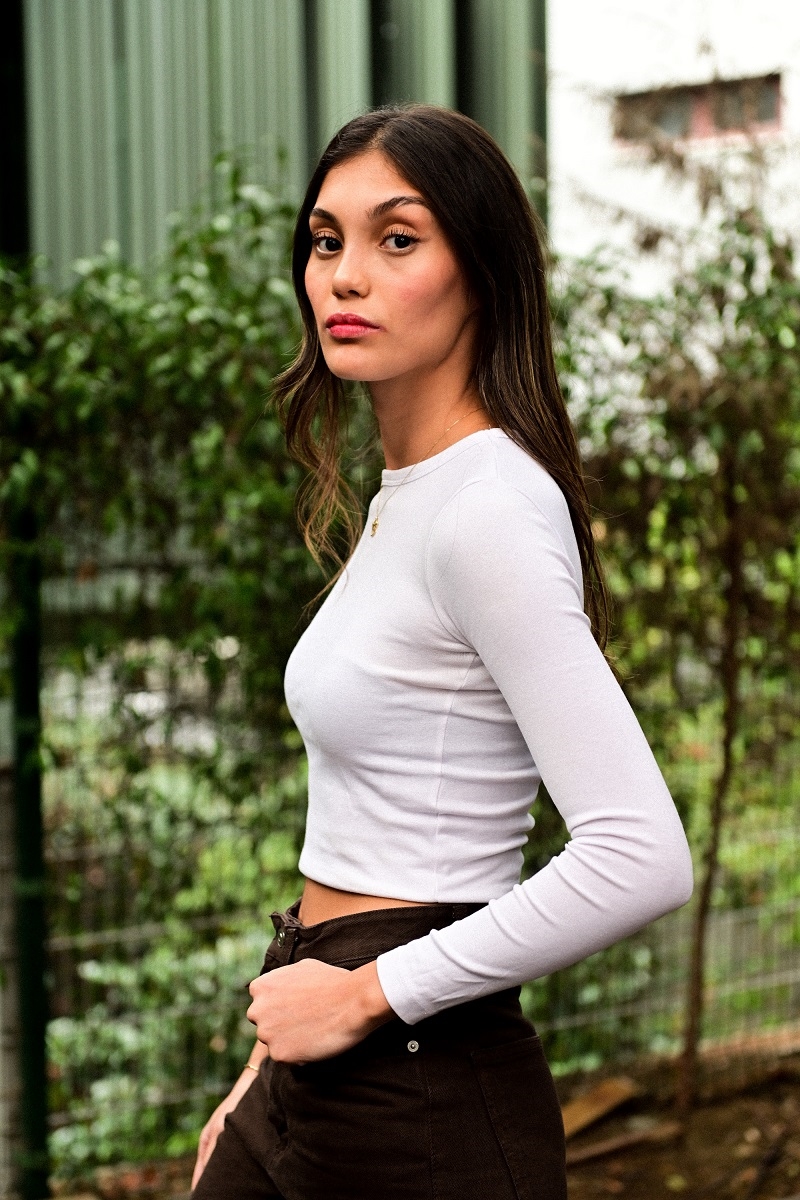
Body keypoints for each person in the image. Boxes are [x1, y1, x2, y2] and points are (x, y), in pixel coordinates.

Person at [190, 104, 693, 1200]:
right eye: (326, 240)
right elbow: (362, 829)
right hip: (315, 1054)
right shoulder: (413, 496)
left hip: (418, 1097)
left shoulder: (487, 509)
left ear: (483, 275)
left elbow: (642, 855)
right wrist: (261, 1075)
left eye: (397, 238)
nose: (344, 276)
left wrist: (361, 996)